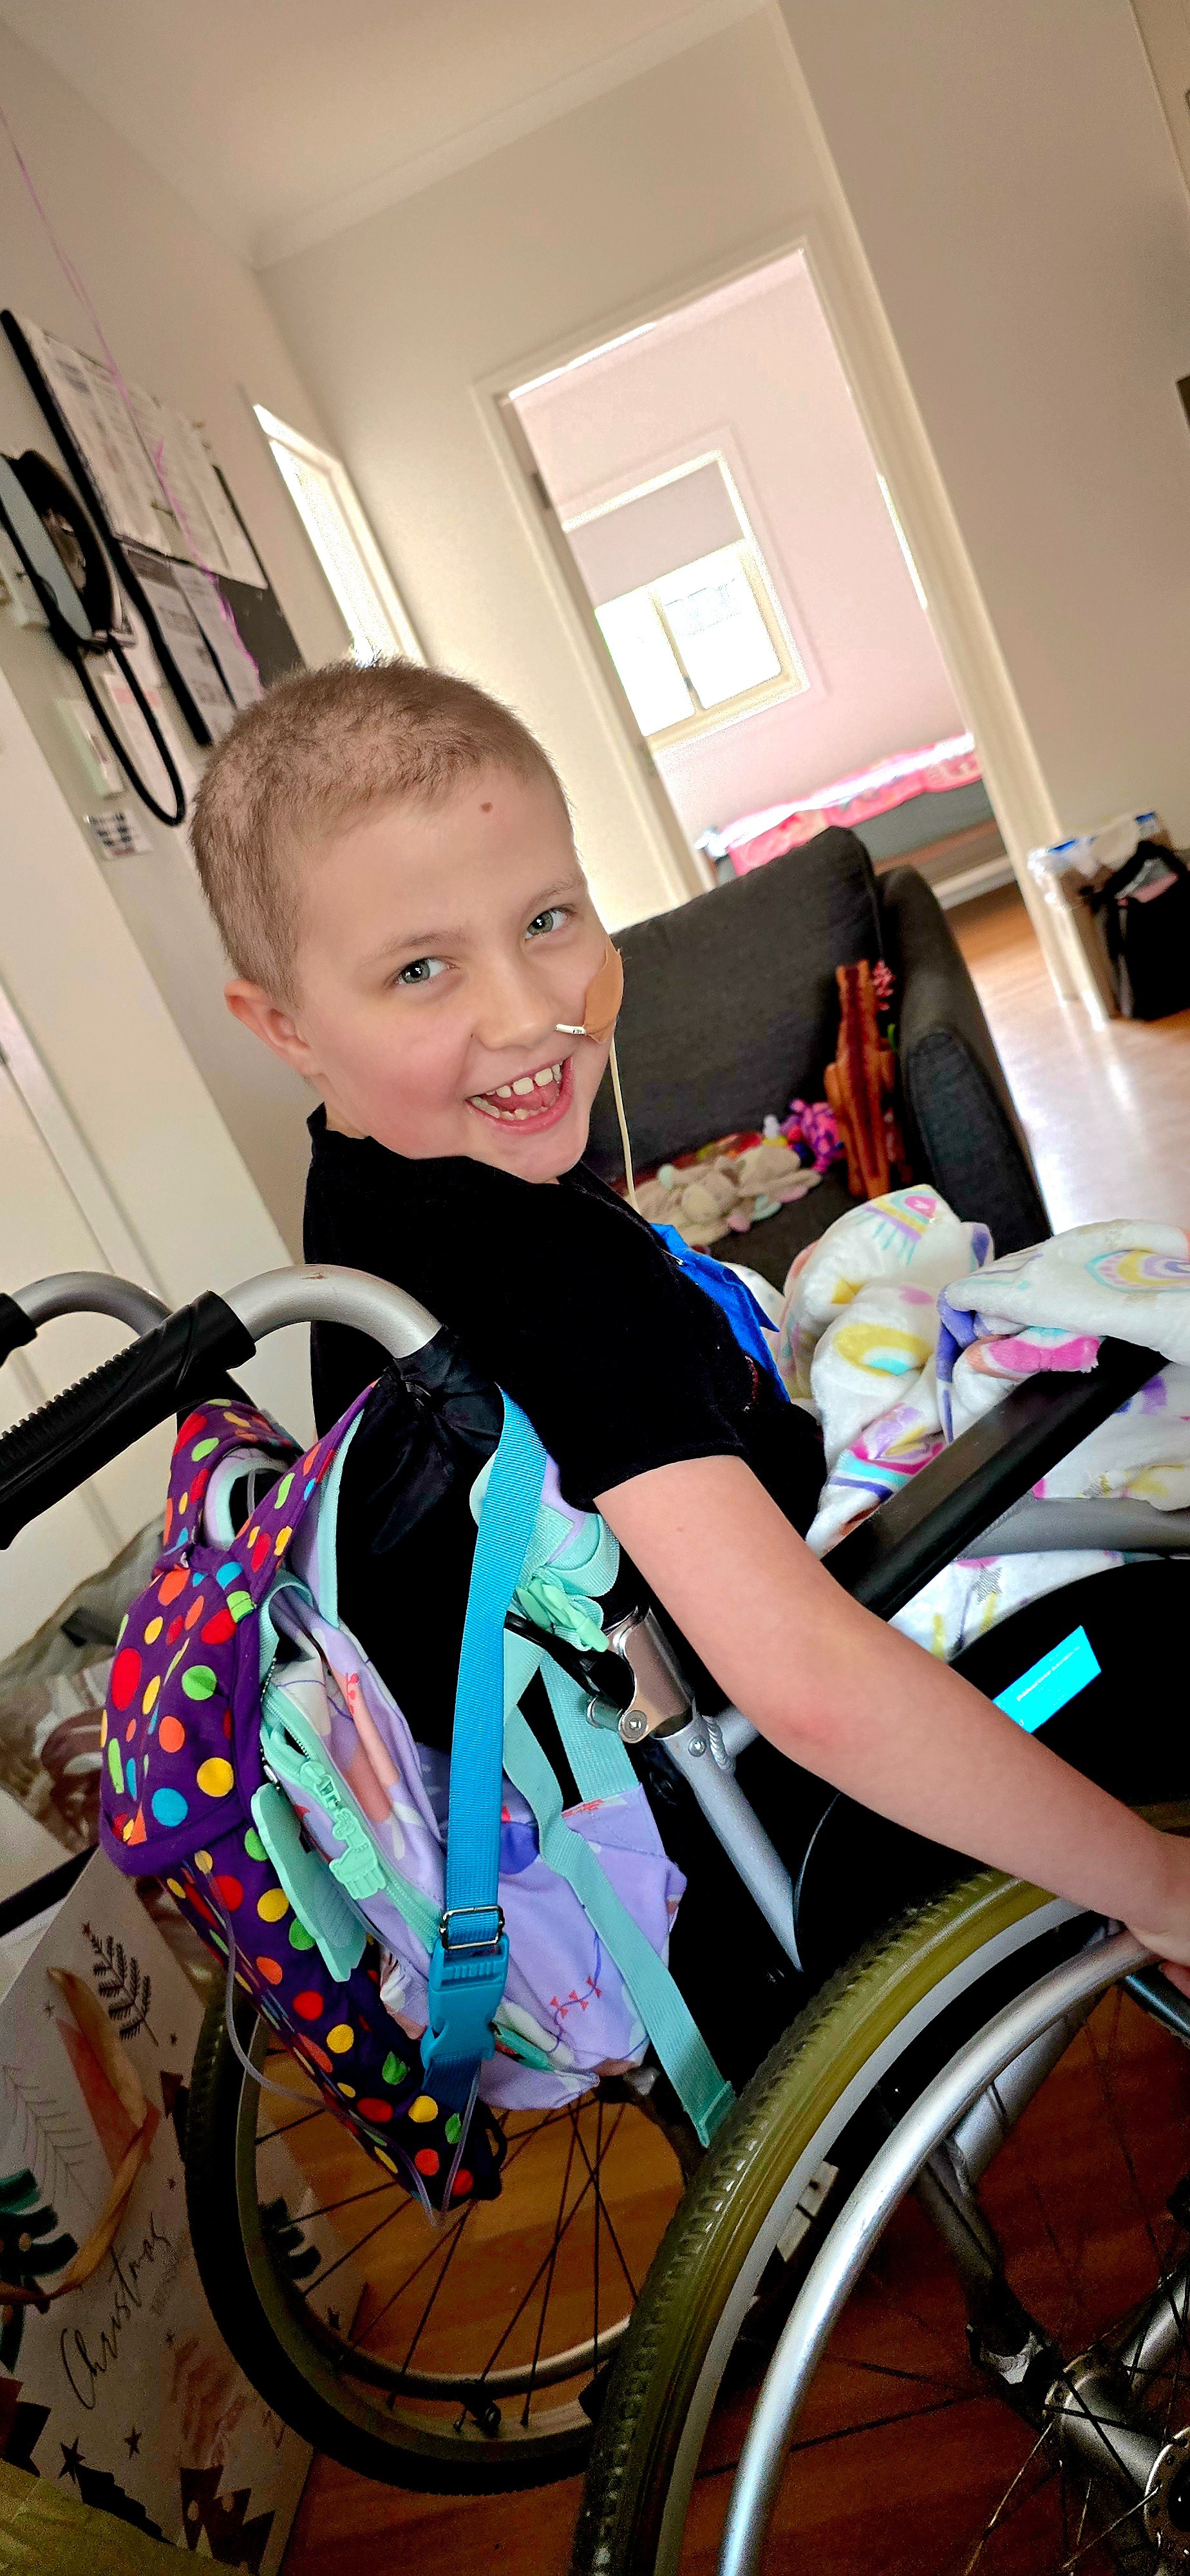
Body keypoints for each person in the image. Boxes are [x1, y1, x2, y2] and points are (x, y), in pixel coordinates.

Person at [190, 659, 1190, 2057]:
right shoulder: (556, 1278)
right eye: (421, 968)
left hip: (617, 1783)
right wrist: (1161, 1885)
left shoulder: (365, 1187)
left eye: (548, 919)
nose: (529, 1013)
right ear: (282, 1025)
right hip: (791, 1814)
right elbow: (806, 1680)